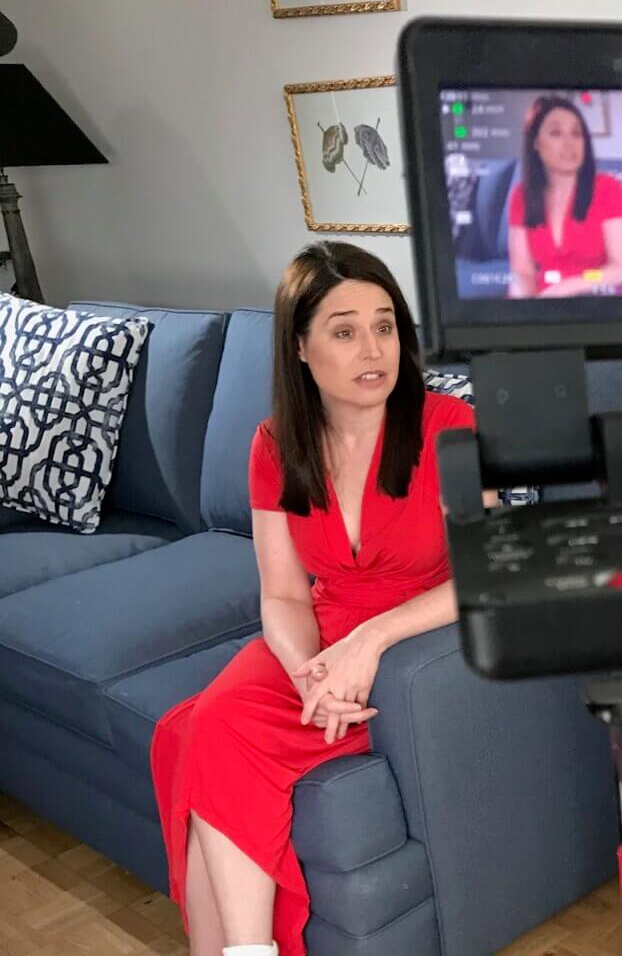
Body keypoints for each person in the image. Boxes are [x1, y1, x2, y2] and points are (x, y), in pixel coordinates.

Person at [150, 242, 490, 956]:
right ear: (300, 347)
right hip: (317, 638)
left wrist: (368, 644)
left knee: (205, 735)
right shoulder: (276, 443)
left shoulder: (450, 429)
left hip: (416, 638)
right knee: (202, 727)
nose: (373, 348)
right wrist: (309, 671)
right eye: (344, 330)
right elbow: (280, 593)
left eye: (385, 324)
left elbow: (483, 570)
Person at [507, 95, 622, 299]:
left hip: (596, 298)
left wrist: (570, 286)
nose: (569, 143)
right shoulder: (521, 195)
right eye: (556, 133)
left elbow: (620, 267)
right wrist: (522, 307)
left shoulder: (607, 188)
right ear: (536, 143)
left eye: (576, 134)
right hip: (542, 303)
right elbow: (522, 271)